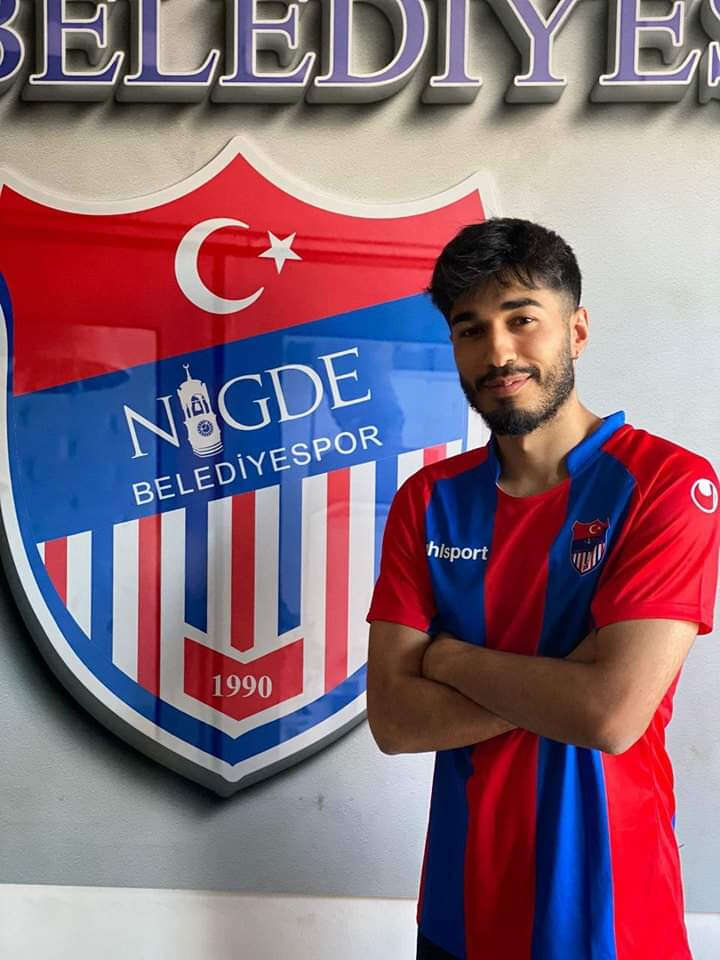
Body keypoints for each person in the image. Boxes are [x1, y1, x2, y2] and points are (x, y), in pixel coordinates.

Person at [365, 218, 720, 960]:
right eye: (470, 329)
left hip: (613, 917)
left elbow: (609, 716)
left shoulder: (667, 484)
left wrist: (448, 659)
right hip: (459, 915)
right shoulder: (426, 502)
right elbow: (395, 722)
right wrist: (567, 680)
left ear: (577, 331)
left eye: (521, 319)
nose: (498, 352)